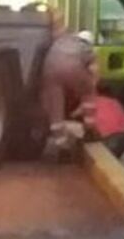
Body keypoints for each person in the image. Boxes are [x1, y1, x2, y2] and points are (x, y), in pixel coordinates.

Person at [39, 21, 98, 161]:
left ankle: (62, 148)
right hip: (73, 69)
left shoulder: (62, 40)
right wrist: (91, 86)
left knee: (56, 108)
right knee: (88, 92)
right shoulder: (86, 47)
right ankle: (89, 130)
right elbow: (94, 71)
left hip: (49, 70)